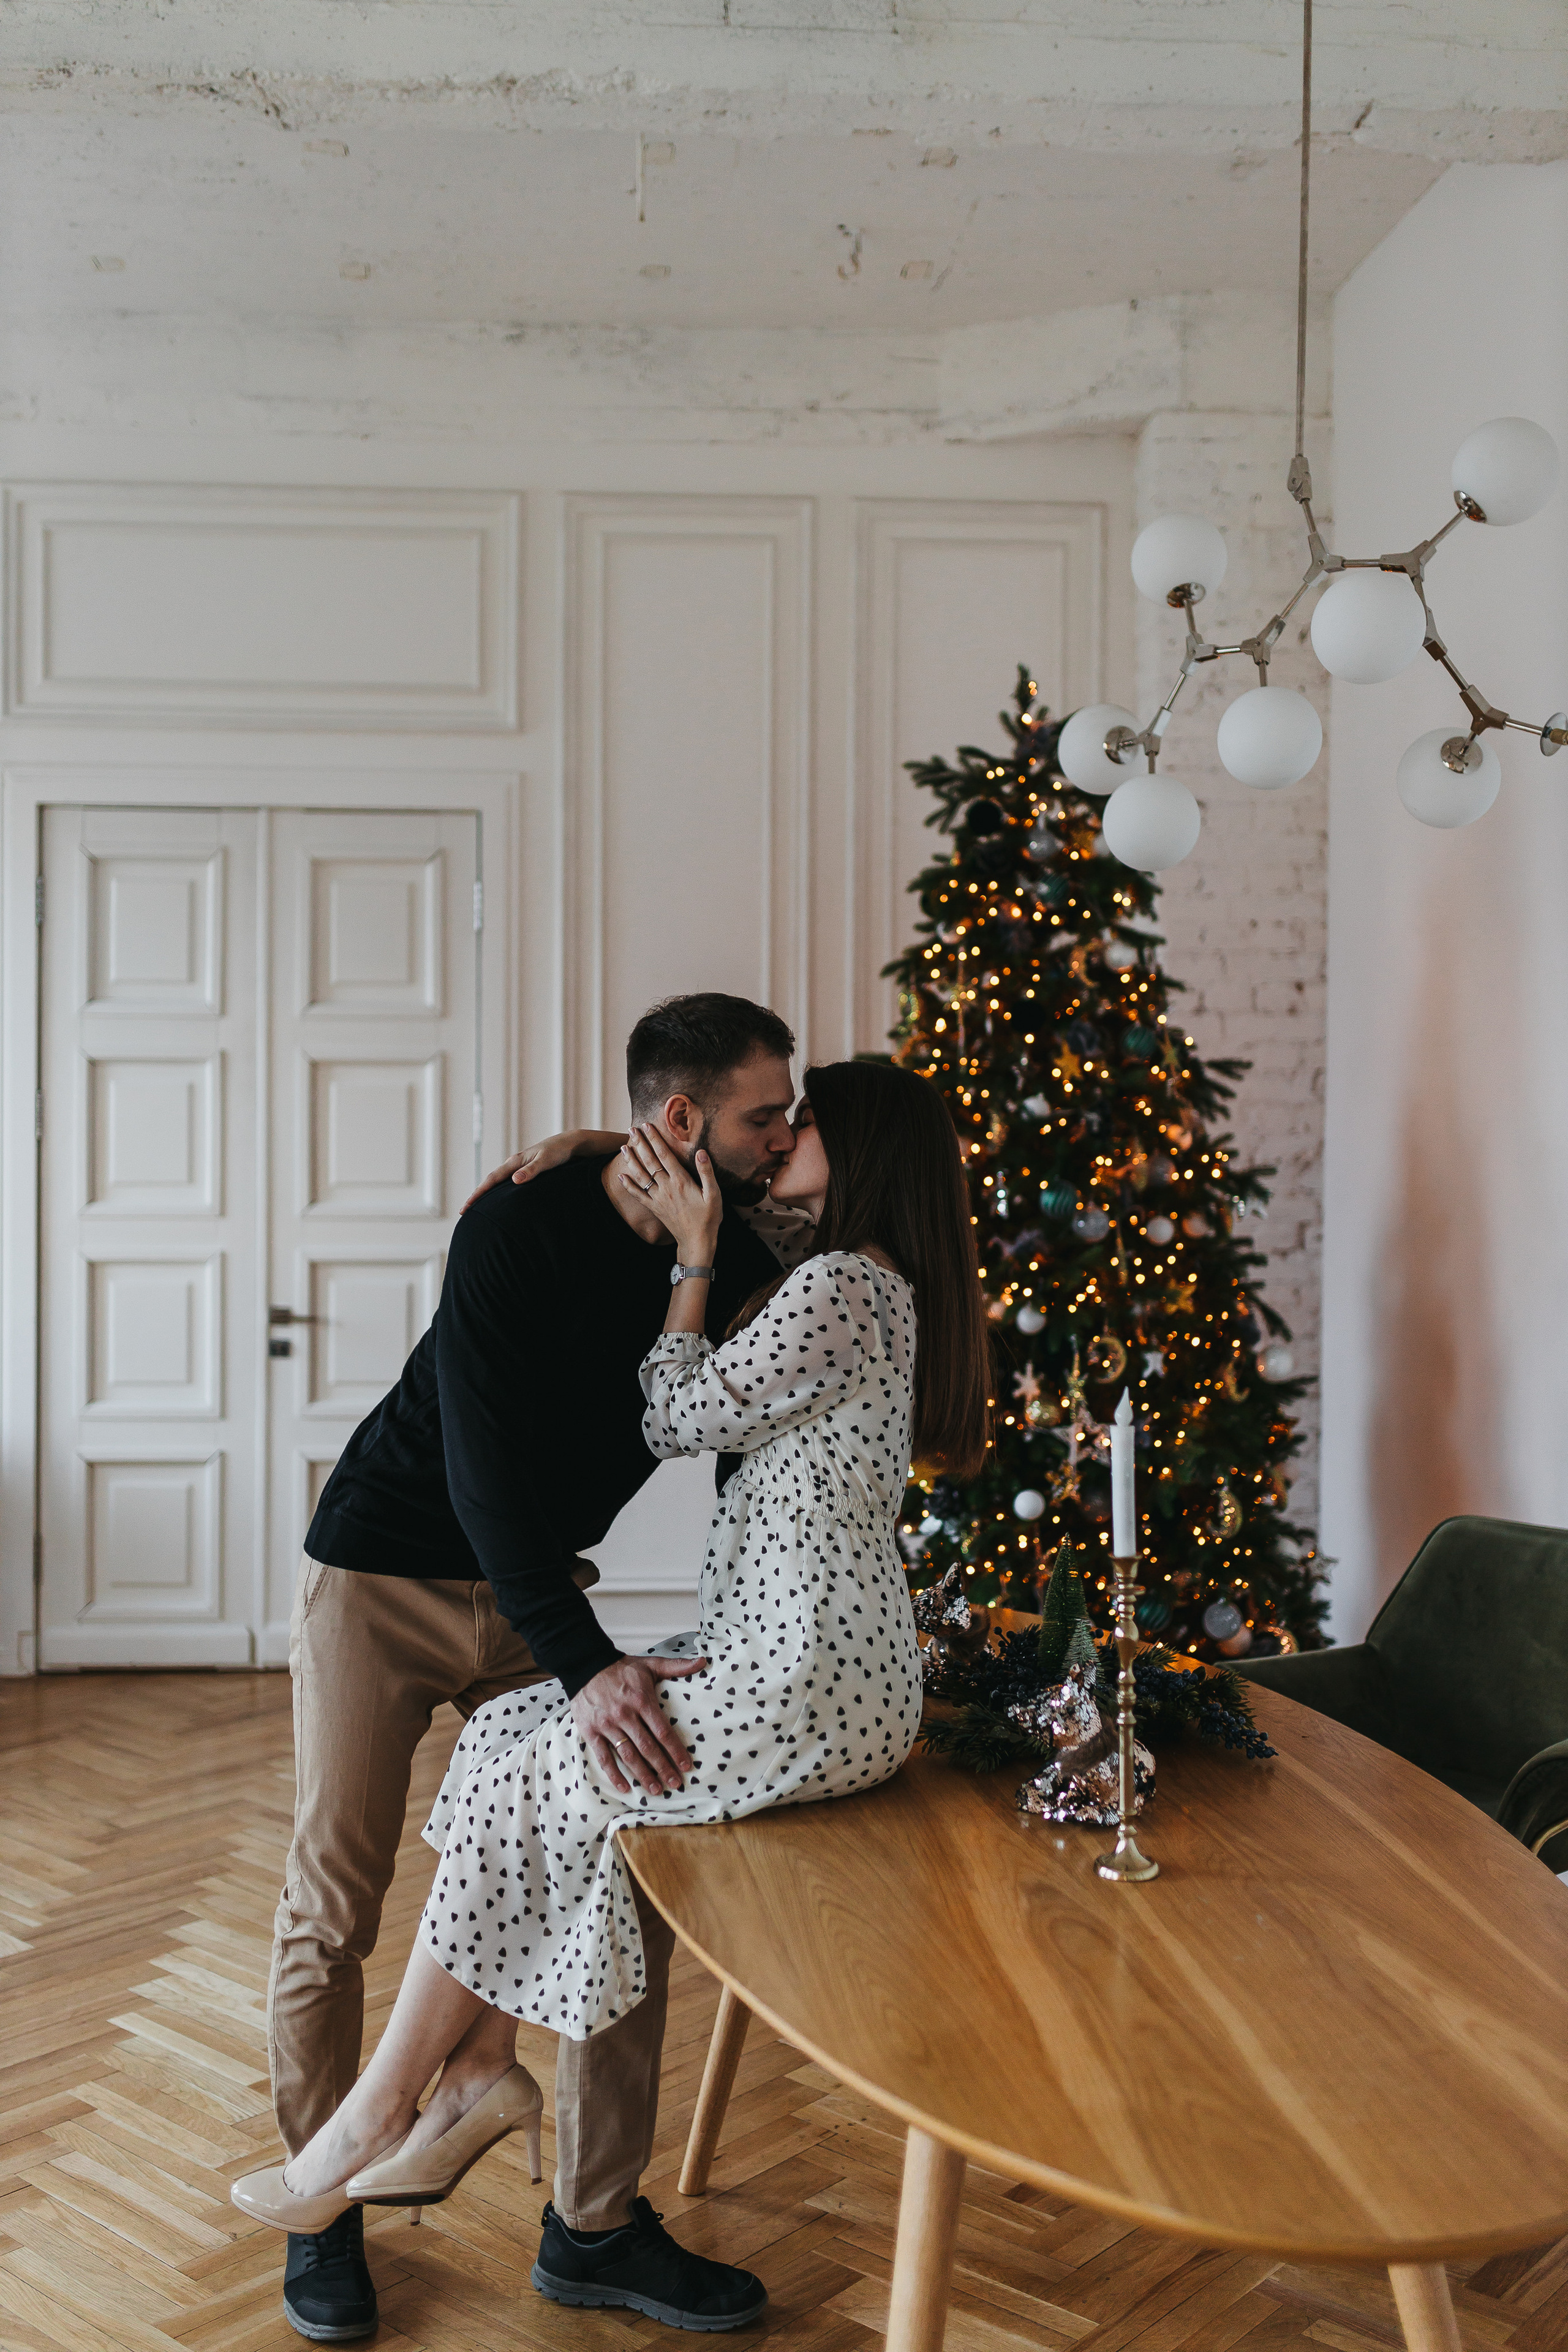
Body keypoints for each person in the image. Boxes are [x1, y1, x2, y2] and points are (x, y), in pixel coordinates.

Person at [239, 1058, 989, 2336]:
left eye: (797, 1127)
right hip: (388, 1573)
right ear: (683, 1120)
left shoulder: (762, 1252)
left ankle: (590, 2220)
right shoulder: (519, 1224)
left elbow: (700, 1397)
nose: (779, 1144)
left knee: (614, 1850)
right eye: (767, 1117)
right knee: (333, 1901)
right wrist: (587, 1663)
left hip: (556, 1598)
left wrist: (583, 1657)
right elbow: (482, 1476)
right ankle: (340, 2198)